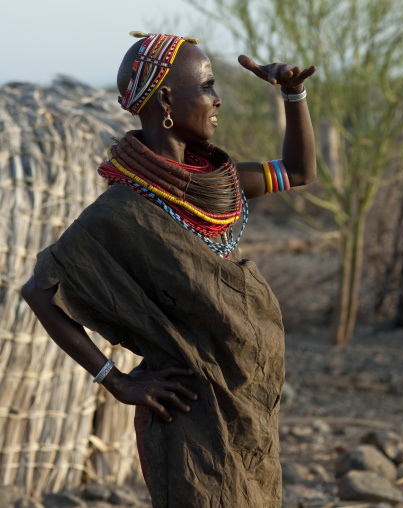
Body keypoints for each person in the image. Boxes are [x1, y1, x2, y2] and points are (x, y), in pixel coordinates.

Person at [21, 31, 316, 507]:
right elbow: (39, 291)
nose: (217, 99)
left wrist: (292, 93)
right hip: (189, 412)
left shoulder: (221, 183)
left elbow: (300, 171)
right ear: (166, 102)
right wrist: (115, 381)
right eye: (206, 86)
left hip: (246, 404)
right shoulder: (118, 212)